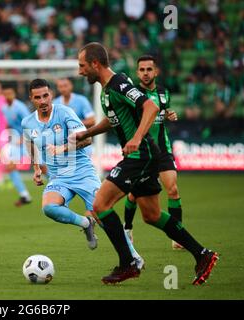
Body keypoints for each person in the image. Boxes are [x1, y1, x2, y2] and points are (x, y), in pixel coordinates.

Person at [73, 42, 218, 285]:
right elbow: (113, 120)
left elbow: (150, 106)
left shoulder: (119, 83)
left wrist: (137, 137)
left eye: (82, 65)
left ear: (95, 64)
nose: (80, 71)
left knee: (100, 205)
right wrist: (86, 134)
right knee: (151, 215)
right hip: (140, 155)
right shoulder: (107, 90)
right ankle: (203, 255)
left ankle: (128, 263)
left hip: (141, 155)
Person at [22, 78, 144, 266]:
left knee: (102, 213)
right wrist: (36, 167)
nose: (43, 100)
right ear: (31, 99)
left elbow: (87, 140)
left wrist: (63, 148)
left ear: (51, 95)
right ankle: (85, 223)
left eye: (46, 95)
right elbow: (30, 143)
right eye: (38, 97)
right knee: (49, 208)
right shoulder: (28, 123)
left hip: (82, 171)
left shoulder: (65, 112)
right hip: (58, 177)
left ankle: (134, 256)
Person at [123, 55, 184, 250]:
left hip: (162, 150)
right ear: (137, 72)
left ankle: (178, 236)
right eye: (142, 70)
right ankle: (128, 228)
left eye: (149, 69)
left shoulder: (163, 93)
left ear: (155, 71)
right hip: (142, 152)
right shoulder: (133, 95)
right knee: (133, 195)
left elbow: (163, 112)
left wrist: (169, 114)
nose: (145, 73)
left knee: (173, 190)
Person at [1, 85, 32, 206]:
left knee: (43, 167)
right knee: (10, 167)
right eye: (5, 93)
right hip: (16, 143)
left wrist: (22, 138)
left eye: (10, 93)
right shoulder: (4, 108)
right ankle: (24, 195)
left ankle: (59, 188)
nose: (8, 96)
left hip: (28, 140)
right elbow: (10, 125)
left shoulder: (20, 107)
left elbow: (29, 123)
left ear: (14, 94)